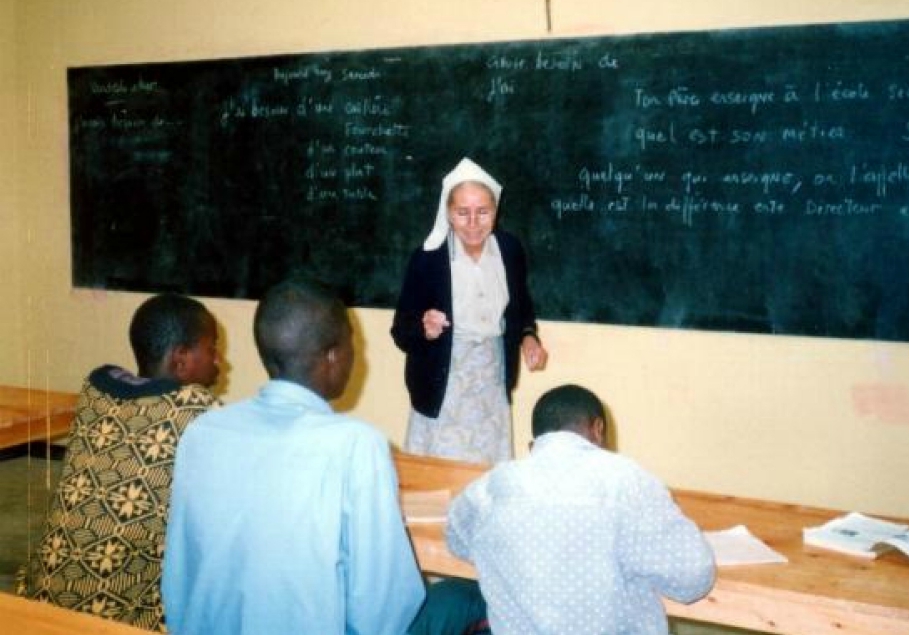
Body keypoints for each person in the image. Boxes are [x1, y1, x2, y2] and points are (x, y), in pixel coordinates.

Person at [162, 277, 424, 635]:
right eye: (353, 344)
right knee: (457, 601)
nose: (358, 355)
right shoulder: (357, 445)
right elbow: (384, 608)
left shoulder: (203, 432)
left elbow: (177, 583)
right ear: (332, 357)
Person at [16, 293, 222, 631]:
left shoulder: (96, 390)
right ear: (182, 359)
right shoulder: (194, 408)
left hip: (43, 599)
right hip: (119, 617)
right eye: (212, 349)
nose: (220, 362)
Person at [447, 384, 716, 635]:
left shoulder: (490, 485)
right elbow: (694, 579)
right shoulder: (625, 478)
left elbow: (456, 541)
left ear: (534, 445)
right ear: (598, 429)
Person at [392, 157, 548, 464]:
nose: (474, 223)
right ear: (448, 213)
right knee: (439, 477)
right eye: (463, 213)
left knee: (487, 478)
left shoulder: (509, 250)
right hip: (443, 383)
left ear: (496, 210)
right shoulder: (428, 259)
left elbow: (520, 308)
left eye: (483, 212)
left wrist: (528, 337)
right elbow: (400, 331)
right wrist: (424, 328)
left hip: (491, 378)